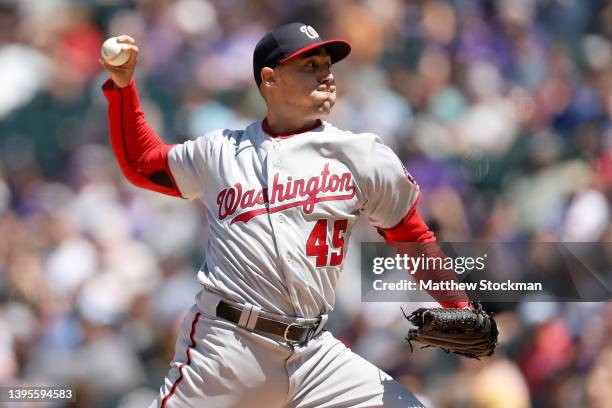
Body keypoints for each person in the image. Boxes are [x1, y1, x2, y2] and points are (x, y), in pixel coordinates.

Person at [100, 22, 468, 408]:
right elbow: (142, 163)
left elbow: (413, 238)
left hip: (315, 353)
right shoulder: (221, 152)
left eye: (327, 63)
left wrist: (459, 308)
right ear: (270, 79)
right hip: (229, 345)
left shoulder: (361, 154)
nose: (326, 73)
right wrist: (123, 88)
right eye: (309, 65)